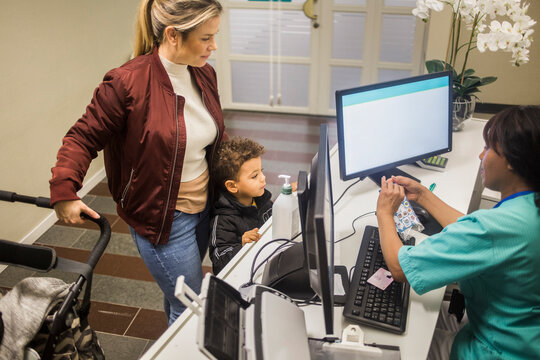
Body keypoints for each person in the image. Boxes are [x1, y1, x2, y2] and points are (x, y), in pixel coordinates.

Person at [49, 0, 226, 325]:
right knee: (190, 309)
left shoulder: (204, 74)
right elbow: (82, 137)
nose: (214, 46)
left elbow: (214, 139)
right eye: (205, 38)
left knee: (178, 296)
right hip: (162, 218)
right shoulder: (126, 82)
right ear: (173, 35)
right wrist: (64, 189)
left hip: (204, 207)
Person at [376, 105, 540, 359]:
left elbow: (399, 268)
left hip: (494, 351)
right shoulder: (528, 207)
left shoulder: (494, 229)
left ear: (510, 159)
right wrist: (423, 195)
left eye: (488, 148)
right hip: (523, 339)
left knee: (385, 348)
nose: (480, 156)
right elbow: (478, 234)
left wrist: (384, 213)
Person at [208, 137, 273, 275]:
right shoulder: (223, 220)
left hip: (265, 263)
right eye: (254, 176)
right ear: (232, 186)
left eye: (261, 171)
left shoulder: (261, 200)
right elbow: (218, 260)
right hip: (245, 275)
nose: (263, 178)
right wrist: (241, 245)